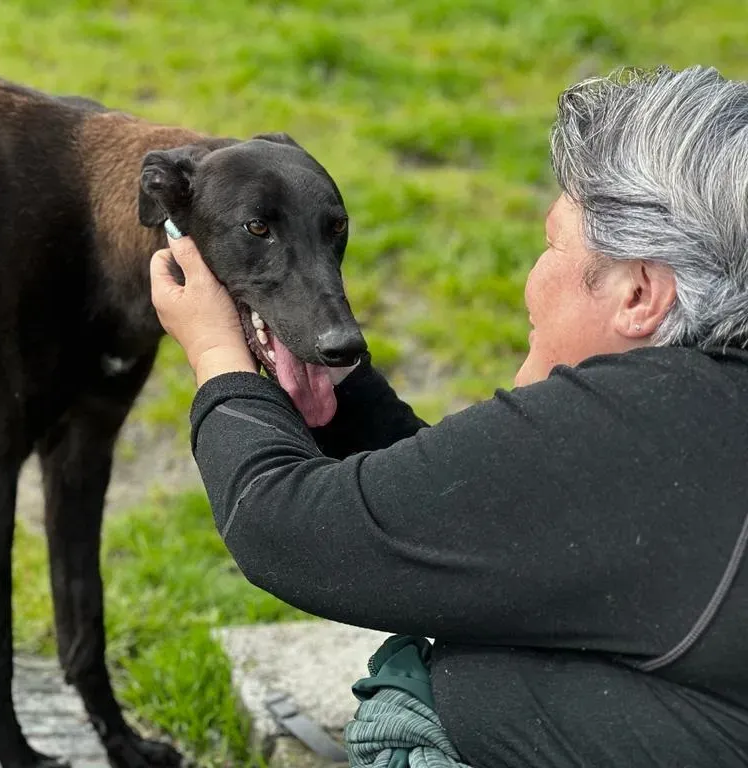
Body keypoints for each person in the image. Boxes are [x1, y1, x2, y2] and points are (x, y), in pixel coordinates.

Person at [148, 65, 748, 767]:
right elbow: (472, 522)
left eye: (553, 244)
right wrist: (328, 361)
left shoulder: (638, 426)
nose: (533, 274)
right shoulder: (713, 409)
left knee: (417, 703)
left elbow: (285, 529)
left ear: (641, 294)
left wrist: (218, 351)